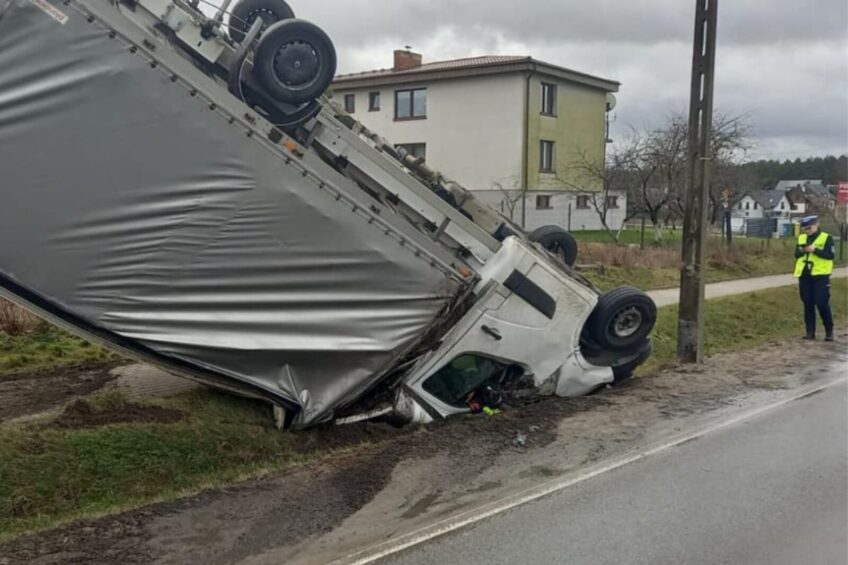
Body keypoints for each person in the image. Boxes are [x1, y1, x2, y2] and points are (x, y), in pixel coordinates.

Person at [794, 215, 835, 341]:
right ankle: (810, 332)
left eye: (810, 227)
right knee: (808, 303)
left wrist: (814, 250)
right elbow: (796, 254)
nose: (808, 231)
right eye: (805, 229)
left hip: (820, 275)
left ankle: (829, 331)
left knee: (822, 303)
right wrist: (803, 250)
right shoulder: (802, 238)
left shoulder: (826, 238)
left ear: (817, 224)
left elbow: (830, 255)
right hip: (805, 275)